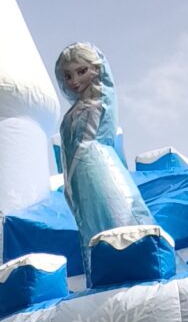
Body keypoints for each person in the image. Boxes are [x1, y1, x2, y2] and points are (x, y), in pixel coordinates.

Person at [55, 42, 153, 262]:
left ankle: (137, 265)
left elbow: (85, 142)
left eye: (81, 71)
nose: (74, 81)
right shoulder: (79, 108)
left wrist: (70, 180)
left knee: (117, 222)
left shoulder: (97, 104)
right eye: (68, 76)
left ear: (96, 69)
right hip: (82, 174)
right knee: (94, 229)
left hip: (98, 169)